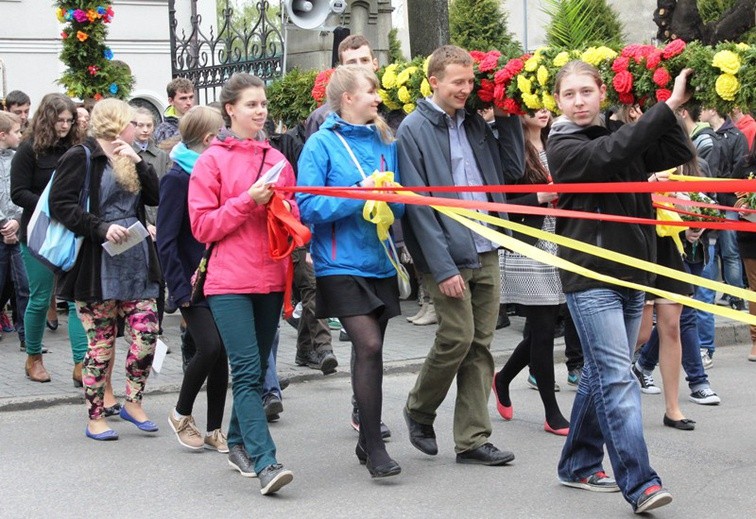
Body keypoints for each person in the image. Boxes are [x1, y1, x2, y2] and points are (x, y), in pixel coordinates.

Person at [549, 61, 694, 513]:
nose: (578, 102)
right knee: (616, 377)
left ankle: (577, 463)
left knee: (600, 372)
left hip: (633, 272)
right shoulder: (563, 145)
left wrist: (656, 107)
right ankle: (641, 483)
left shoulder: (617, 132)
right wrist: (663, 107)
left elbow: (670, 148)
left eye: (586, 92)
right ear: (557, 100)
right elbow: (610, 154)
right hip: (590, 275)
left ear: (601, 93)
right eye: (569, 94)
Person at [397, 45, 524, 466]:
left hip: (486, 244)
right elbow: (418, 204)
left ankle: (472, 440)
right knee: (457, 336)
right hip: (447, 253)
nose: (466, 90)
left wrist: (505, 113)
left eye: (471, 82)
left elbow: (512, 169)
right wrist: (441, 266)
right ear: (434, 81)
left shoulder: (474, 124)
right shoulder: (413, 128)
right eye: (458, 82)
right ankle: (419, 408)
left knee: (481, 346)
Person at [188, 72, 296, 495]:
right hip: (229, 281)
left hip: (271, 276)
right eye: (251, 104)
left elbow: (292, 215)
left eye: (263, 104)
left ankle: (236, 441)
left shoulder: (278, 160)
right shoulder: (210, 161)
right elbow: (203, 226)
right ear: (229, 110)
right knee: (249, 370)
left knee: (255, 369)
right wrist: (246, 201)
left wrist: (290, 214)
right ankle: (266, 461)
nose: (260, 111)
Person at [298, 65, 403, 478]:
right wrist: (357, 197)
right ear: (346, 98)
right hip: (338, 263)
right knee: (370, 345)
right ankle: (375, 444)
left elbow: (398, 203)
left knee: (369, 353)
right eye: (371, 91)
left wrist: (391, 201)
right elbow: (308, 207)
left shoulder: (384, 140)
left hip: (380, 259)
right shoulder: (320, 145)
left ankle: (366, 441)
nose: (378, 97)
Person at [49, 98, 161, 441]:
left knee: (147, 333)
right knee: (101, 345)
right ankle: (95, 416)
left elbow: (155, 197)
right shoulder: (81, 156)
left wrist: (139, 161)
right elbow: (60, 205)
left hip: (136, 259)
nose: (137, 128)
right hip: (96, 264)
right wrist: (99, 227)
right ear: (115, 124)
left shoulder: (130, 155)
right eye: (131, 122)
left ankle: (133, 402)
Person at [491, 108, 569, 436]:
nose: (542, 111)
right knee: (543, 326)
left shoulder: (557, 141)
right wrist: (539, 196)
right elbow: (499, 200)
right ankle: (552, 413)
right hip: (527, 244)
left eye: (545, 103)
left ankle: (503, 378)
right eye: (531, 105)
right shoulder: (510, 148)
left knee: (544, 326)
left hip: (558, 241)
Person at [156, 105, 229, 453]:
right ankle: (181, 413)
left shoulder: (212, 173)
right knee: (209, 346)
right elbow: (166, 240)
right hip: (191, 281)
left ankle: (215, 428)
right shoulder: (177, 178)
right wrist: (179, 288)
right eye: (221, 134)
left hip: (219, 276)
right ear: (208, 138)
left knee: (222, 353)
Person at [634, 128, 721, 406]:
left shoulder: (698, 167)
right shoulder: (644, 166)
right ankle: (693, 380)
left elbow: (710, 205)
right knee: (663, 325)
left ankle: (654, 372)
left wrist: (699, 225)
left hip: (691, 252)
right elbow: (633, 206)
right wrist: (650, 183)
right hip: (656, 252)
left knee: (676, 321)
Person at [10, 93, 88, 384]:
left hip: (71, 231)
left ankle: (81, 363)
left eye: (69, 120)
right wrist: (51, 207)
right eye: (60, 120)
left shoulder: (78, 149)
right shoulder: (29, 150)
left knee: (77, 300)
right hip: (39, 234)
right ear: (47, 119)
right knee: (41, 298)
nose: (65, 126)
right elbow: (18, 192)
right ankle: (33, 357)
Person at [0, 112, 29, 351]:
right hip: (1, 231)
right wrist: (2, 224)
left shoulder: (17, 158)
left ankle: (26, 336)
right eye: (17, 132)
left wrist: (17, 221)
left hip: (17, 229)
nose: (20, 136)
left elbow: (21, 191)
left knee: (24, 285)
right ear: (3, 135)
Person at [733, 135, 756, 361]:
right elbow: (726, 190)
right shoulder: (746, 163)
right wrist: (741, 204)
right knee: (755, 289)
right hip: (751, 235)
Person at [154, 78, 196, 144]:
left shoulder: (203, 121)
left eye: (191, 97)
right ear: (171, 101)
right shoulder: (163, 130)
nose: (189, 102)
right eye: (183, 98)